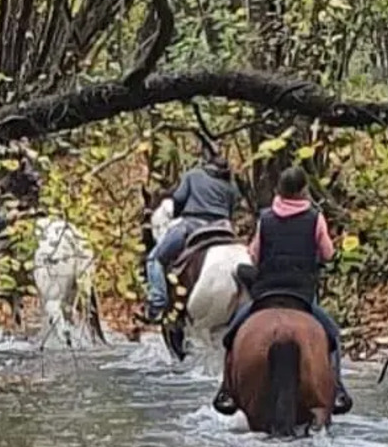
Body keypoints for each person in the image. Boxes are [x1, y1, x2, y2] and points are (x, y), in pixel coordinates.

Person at [213, 165, 352, 416]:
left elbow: (254, 255)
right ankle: (339, 389)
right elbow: (328, 253)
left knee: (233, 332)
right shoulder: (315, 217)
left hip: (267, 291)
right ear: (303, 190)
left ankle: (226, 390)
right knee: (332, 335)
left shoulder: (265, 218)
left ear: (279, 189)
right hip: (301, 294)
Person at [140, 151, 241, 323]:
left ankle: (157, 302)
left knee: (155, 259)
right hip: (224, 229)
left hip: (191, 225)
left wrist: (178, 213)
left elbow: (178, 200)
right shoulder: (230, 187)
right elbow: (232, 212)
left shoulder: (193, 175)